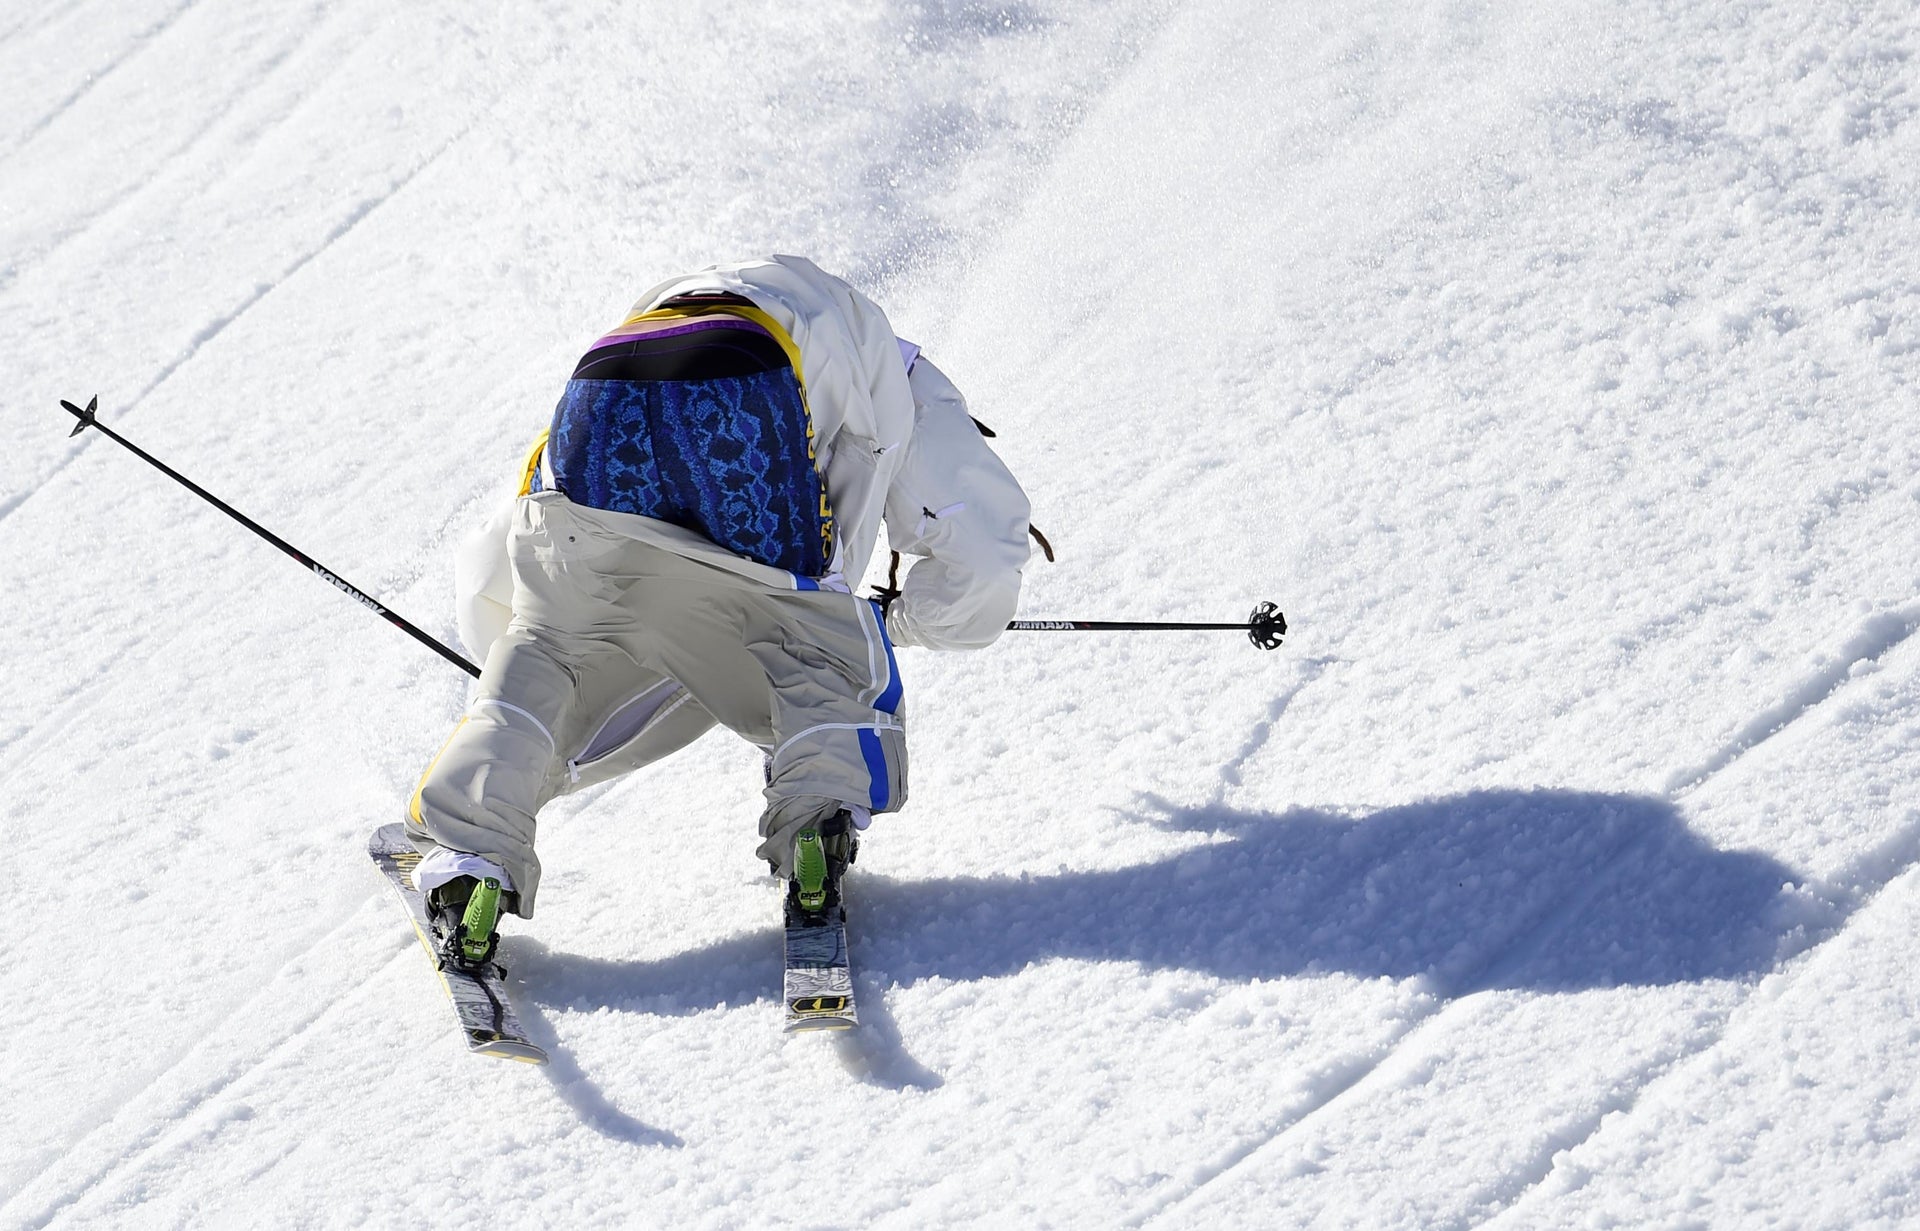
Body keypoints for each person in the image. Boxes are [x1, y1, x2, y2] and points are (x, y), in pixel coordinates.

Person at [403, 255, 1032, 967]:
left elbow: (506, 562)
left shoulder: (671, 309)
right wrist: (893, 624)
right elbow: (986, 554)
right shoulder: (906, 373)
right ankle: (815, 827)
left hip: (600, 395)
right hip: (743, 396)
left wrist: (526, 657)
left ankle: (472, 853)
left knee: (553, 651)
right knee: (813, 645)